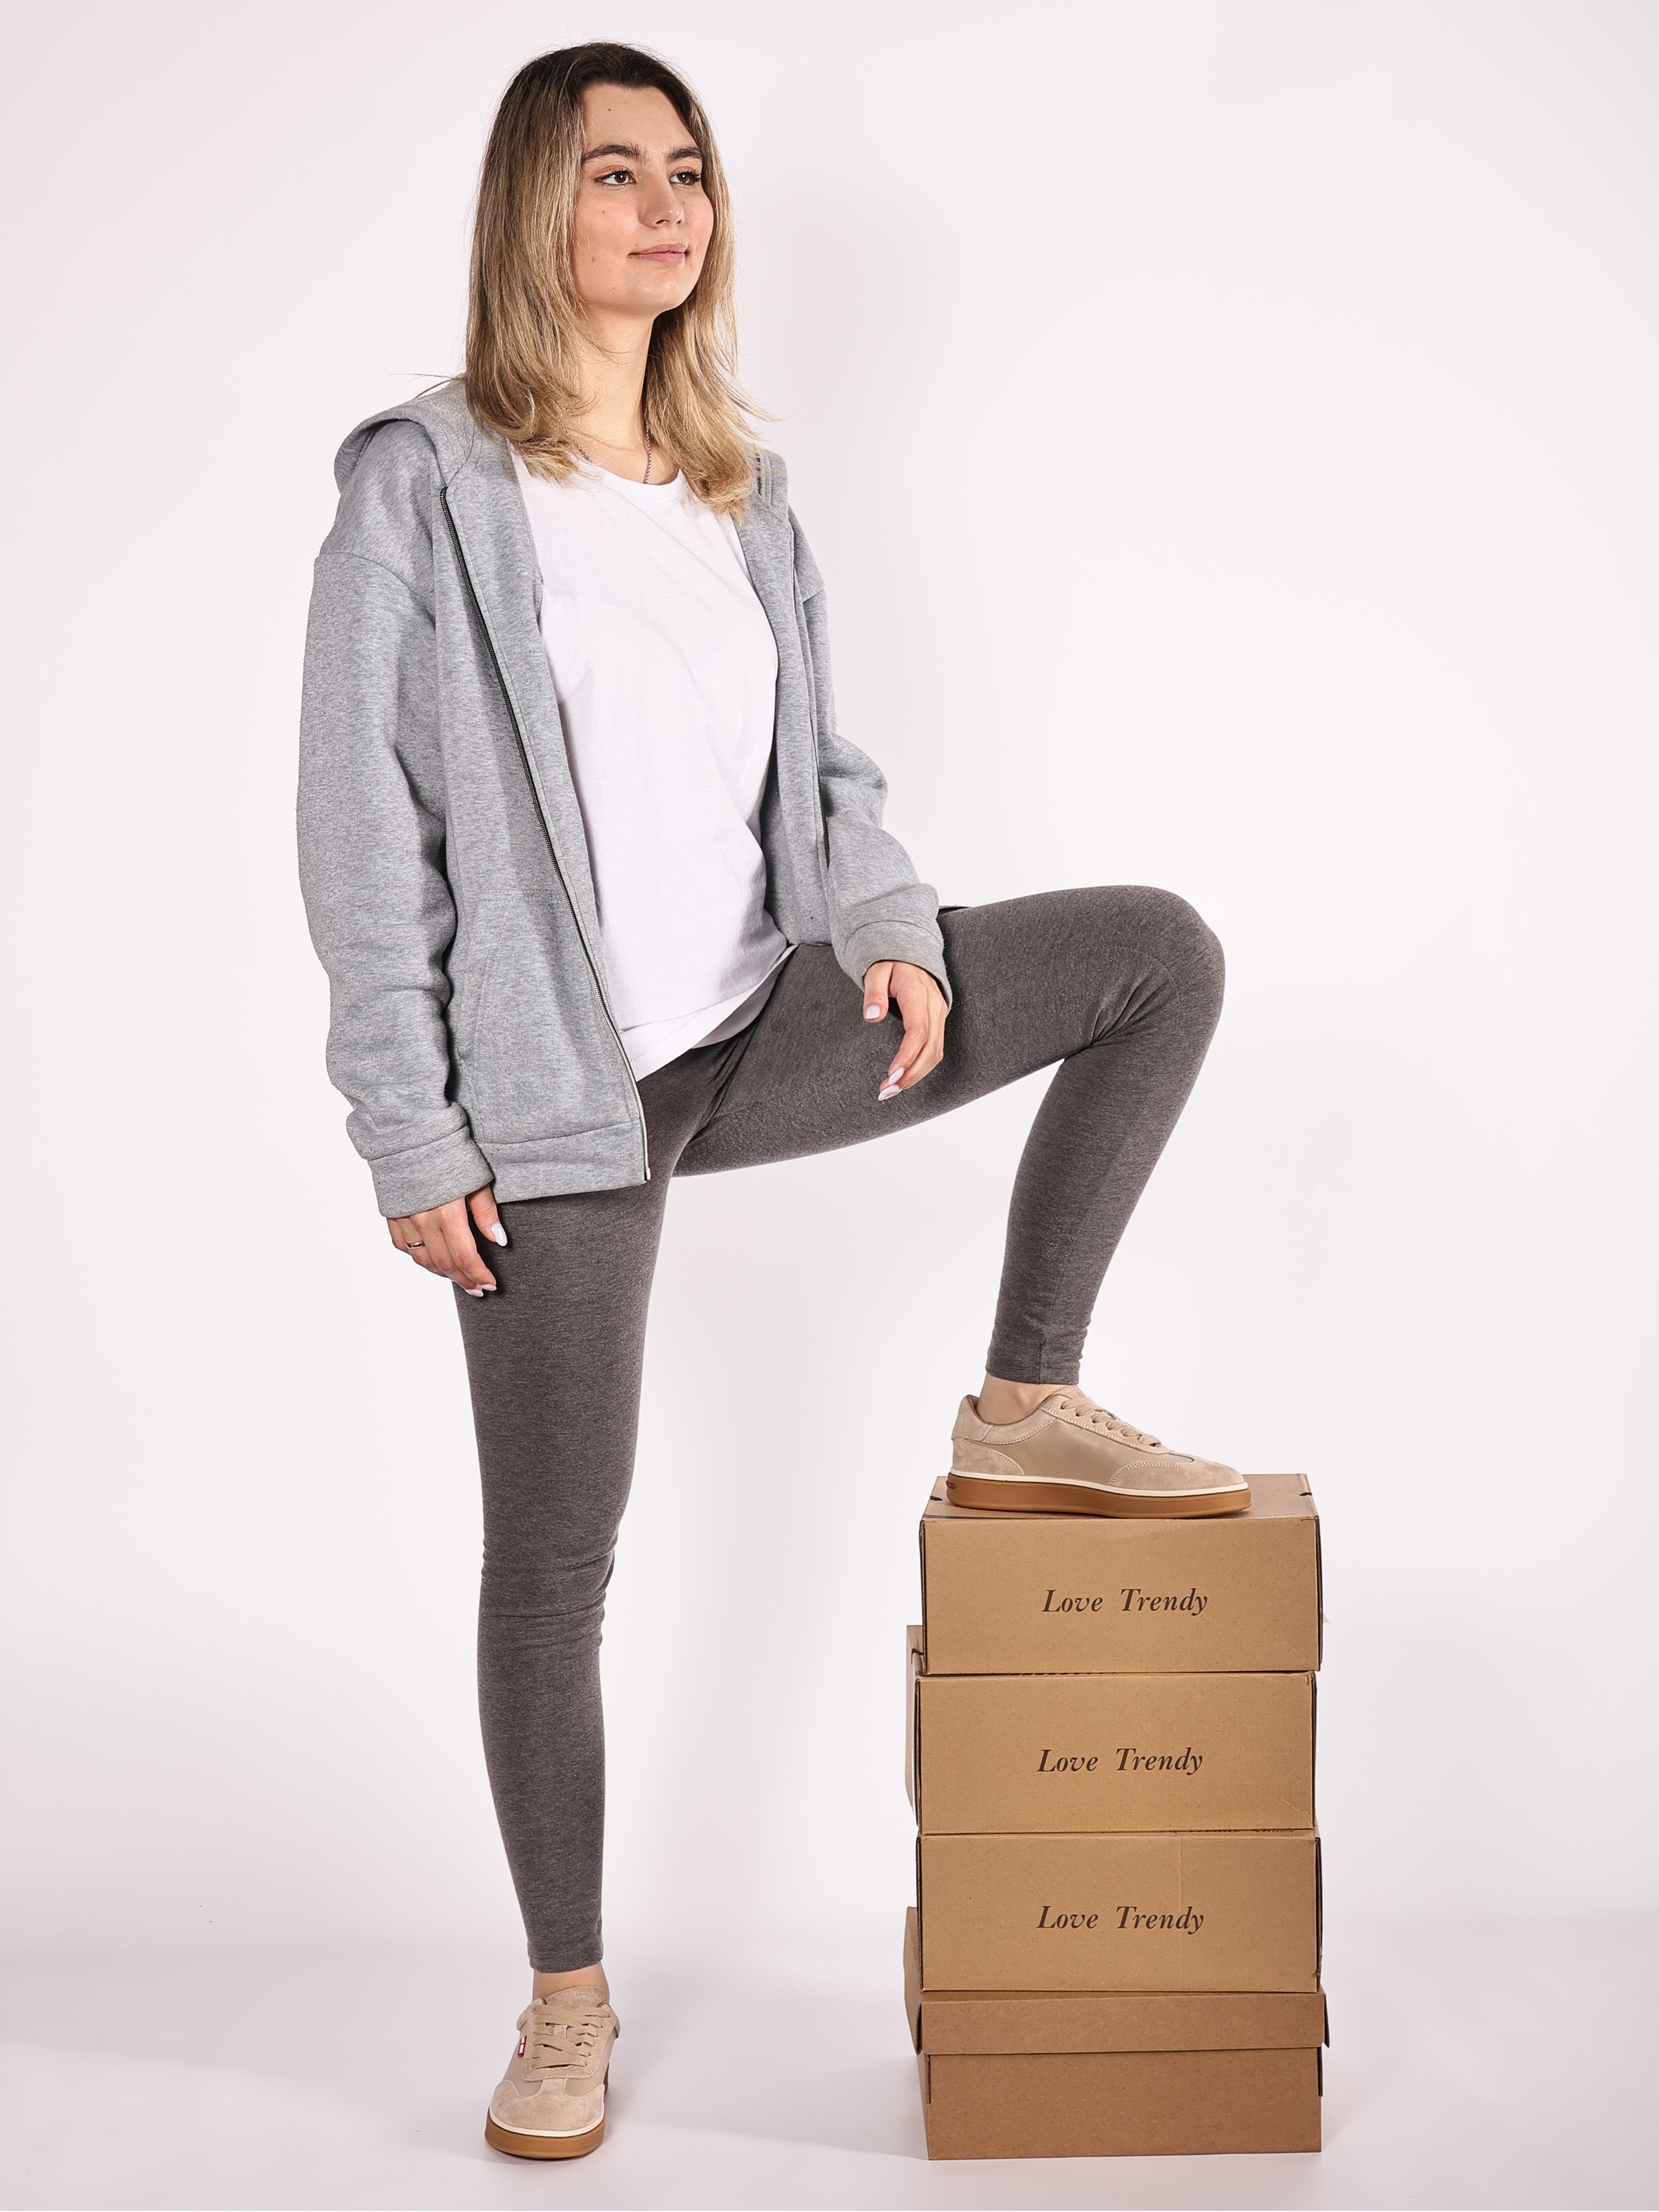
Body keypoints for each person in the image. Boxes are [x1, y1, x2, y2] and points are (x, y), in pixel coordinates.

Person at [298, 39, 1244, 2163]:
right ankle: (566, 2000)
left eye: (691, 174)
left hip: (769, 1021)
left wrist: (888, 919)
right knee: (556, 1564)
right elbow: (361, 837)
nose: (667, 209)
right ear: (533, 208)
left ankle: (1027, 1397)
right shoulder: (426, 487)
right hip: (558, 1102)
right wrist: (410, 1131)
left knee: (1155, 955)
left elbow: (824, 774)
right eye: (616, 173)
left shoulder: (741, 488)